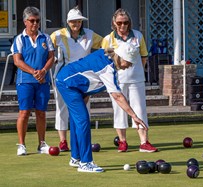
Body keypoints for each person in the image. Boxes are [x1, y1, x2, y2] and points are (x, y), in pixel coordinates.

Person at [55, 42, 148, 173]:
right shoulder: (107, 68)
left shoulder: (105, 57)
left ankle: (76, 158)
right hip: (67, 84)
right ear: (122, 57)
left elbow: (87, 78)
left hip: (71, 83)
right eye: (129, 62)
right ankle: (86, 163)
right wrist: (134, 116)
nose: (130, 66)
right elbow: (117, 96)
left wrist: (84, 97)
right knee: (83, 121)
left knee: (78, 121)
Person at [101, 8, 158, 152]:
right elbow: (104, 61)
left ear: (129, 23)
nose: (122, 26)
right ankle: (122, 141)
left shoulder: (137, 36)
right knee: (119, 110)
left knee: (140, 109)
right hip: (117, 81)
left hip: (136, 79)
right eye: (119, 23)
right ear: (114, 23)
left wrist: (136, 70)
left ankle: (144, 142)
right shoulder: (108, 39)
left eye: (125, 22)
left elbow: (144, 56)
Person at [50, 6, 103, 151]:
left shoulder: (90, 35)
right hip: (63, 76)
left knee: (84, 109)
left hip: (83, 78)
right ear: (68, 22)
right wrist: (52, 58)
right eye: (73, 22)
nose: (76, 24)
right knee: (62, 109)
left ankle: (82, 140)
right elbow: (46, 47)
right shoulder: (58, 35)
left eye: (79, 21)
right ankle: (63, 141)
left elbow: (105, 44)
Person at [11, 6, 55, 156]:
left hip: (43, 80)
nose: (35, 24)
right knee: (24, 112)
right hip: (25, 81)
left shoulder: (45, 38)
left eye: (37, 20)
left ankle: (42, 143)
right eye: (32, 21)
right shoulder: (19, 39)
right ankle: (21, 144)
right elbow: (17, 61)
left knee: (41, 113)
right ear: (25, 22)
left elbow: (51, 57)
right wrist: (33, 72)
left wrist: (43, 71)